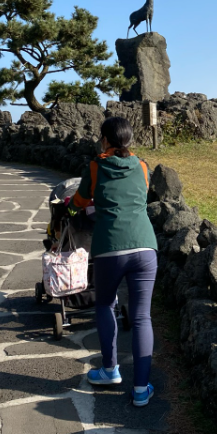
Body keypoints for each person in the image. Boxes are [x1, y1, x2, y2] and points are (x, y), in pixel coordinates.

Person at [70, 116, 158, 407]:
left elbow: (81, 200)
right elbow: (140, 195)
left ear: (105, 139)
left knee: (105, 303)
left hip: (110, 247)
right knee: (142, 316)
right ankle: (142, 389)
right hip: (146, 247)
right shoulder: (143, 166)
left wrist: (72, 207)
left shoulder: (96, 166)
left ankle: (110, 371)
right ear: (129, 140)